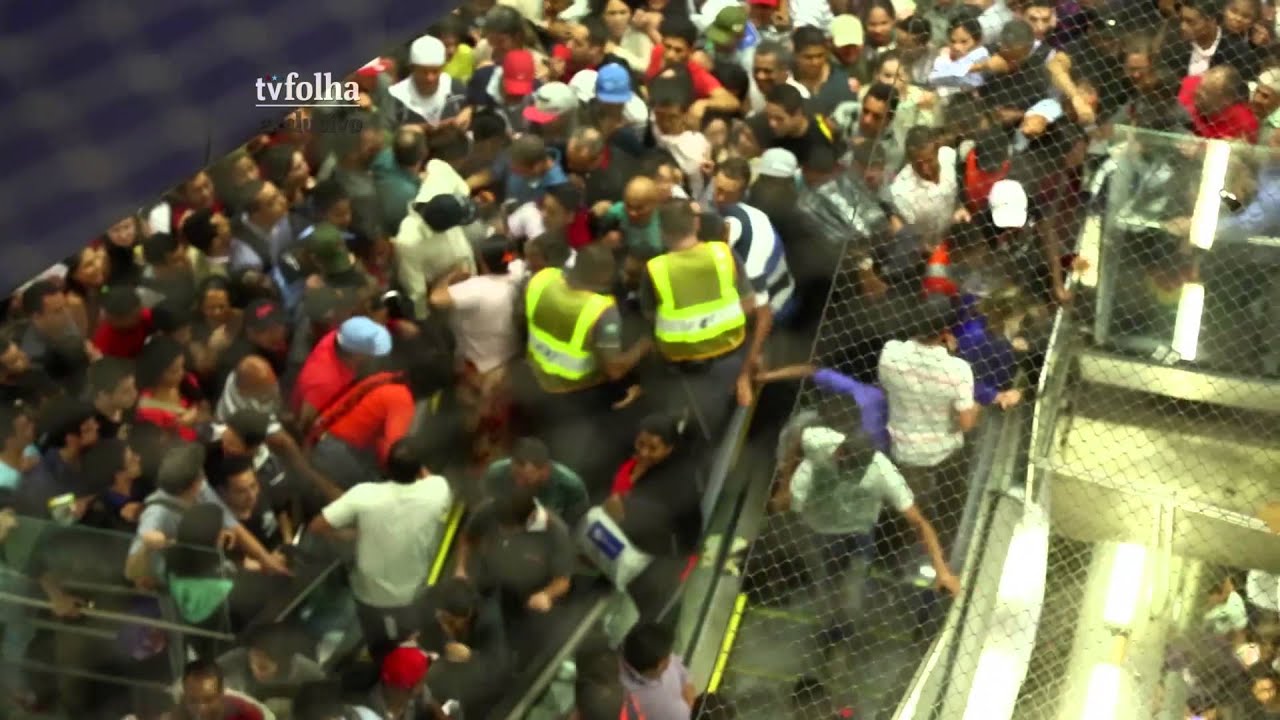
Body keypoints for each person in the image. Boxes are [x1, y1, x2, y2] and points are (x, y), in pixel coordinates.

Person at [309, 438, 453, 665]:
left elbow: (317, 526)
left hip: (369, 593)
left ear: (386, 467)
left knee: (379, 645)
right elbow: (429, 476)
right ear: (419, 469)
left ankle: (382, 666)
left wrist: (349, 535)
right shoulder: (438, 490)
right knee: (413, 641)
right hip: (412, 592)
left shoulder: (364, 495)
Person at [639, 198, 768, 444]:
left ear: (662, 232)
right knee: (712, 426)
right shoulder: (723, 254)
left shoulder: (655, 268)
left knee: (673, 422)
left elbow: (650, 315)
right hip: (727, 355)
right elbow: (750, 305)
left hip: (677, 364)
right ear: (696, 224)